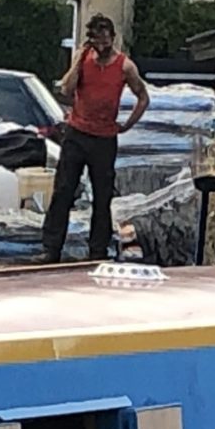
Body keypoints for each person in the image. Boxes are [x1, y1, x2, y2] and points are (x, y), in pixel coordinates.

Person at [43, 14, 150, 263]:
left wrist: (128, 124)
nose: (100, 46)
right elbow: (67, 89)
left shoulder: (125, 66)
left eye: (104, 40)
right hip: (77, 133)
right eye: (95, 41)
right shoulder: (82, 60)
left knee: (102, 198)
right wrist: (79, 59)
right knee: (63, 191)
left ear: (112, 38)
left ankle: (97, 251)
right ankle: (51, 249)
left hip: (104, 139)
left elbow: (143, 96)